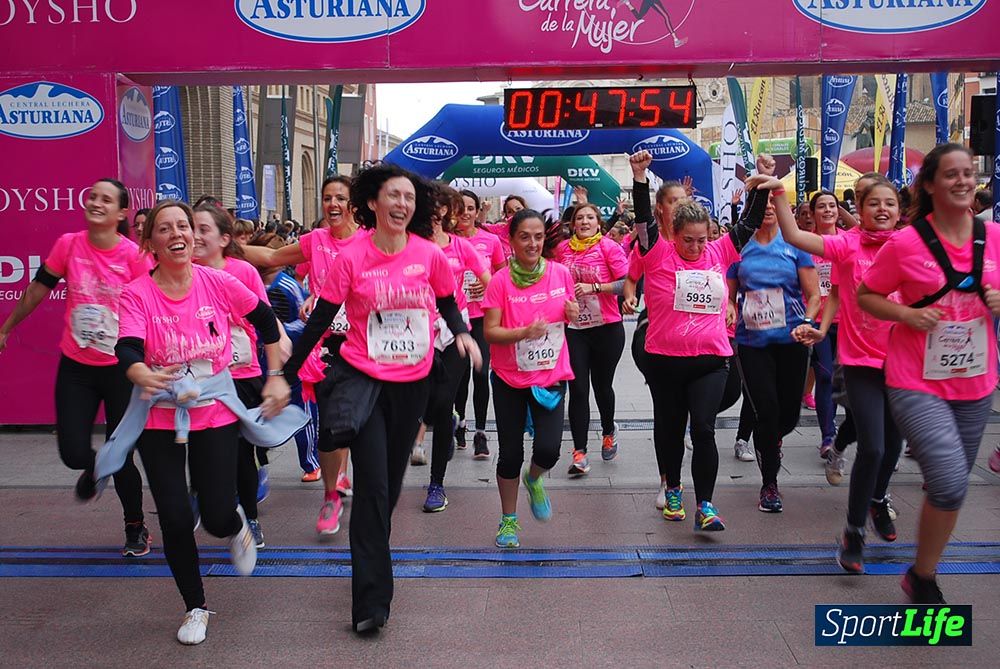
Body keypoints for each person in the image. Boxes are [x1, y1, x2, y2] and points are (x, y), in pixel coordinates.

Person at [283, 164, 481, 634]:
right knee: (372, 488)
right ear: (373, 202)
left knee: (388, 490)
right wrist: (285, 375)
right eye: (393, 195)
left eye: (409, 198)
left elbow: (448, 300)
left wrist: (461, 334)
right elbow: (320, 320)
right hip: (363, 380)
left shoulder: (427, 254)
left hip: (411, 384)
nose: (402, 204)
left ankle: (373, 546)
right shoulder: (351, 256)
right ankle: (372, 603)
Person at [116, 199, 290, 644]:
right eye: (165, 228)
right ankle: (195, 606)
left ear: (195, 236)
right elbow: (129, 347)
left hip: (214, 409)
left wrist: (274, 377)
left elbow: (266, 322)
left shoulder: (218, 282)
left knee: (214, 516)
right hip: (160, 414)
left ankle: (235, 525)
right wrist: (138, 370)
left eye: (185, 226)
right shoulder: (137, 293)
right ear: (150, 241)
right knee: (175, 517)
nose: (177, 234)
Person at [857, 144, 1000, 603]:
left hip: (975, 380)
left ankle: (922, 573)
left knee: (950, 489)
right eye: (952, 174)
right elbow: (867, 296)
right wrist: (907, 316)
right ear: (931, 185)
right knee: (950, 479)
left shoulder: (994, 236)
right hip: (915, 378)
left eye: (969, 173)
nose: (963, 181)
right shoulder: (906, 243)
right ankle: (920, 572)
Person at [0, 178, 152, 557]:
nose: (96, 203)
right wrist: (6, 328)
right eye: (92, 197)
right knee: (71, 453)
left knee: (124, 457)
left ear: (120, 213)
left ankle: (135, 526)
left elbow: (152, 307)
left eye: (106, 199)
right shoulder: (69, 245)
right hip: (77, 366)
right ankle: (95, 465)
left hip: (121, 368)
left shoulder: (134, 257)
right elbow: (38, 288)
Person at [773, 175, 905, 574]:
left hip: (904, 362)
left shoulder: (909, 245)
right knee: (875, 446)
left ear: (899, 211)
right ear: (859, 211)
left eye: (890, 204)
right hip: (862, 361)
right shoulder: (848, 244)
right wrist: (778, 194)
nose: (883, 210)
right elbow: (795, 236)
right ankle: (853, 531)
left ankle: (878, 500)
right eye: (873, 203)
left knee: (895, 445)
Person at [624, 190, 767, 530]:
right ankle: (673, 488)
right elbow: (643, 223)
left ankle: (706, 504)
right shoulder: (658, 253)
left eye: (702, 239)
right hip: (665, 360)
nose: (696, 247)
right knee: (670, 428)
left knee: (703, 428)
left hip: (711, 359)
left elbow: (749, 223)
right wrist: (640, 180)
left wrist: (761, 185)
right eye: (688, 240)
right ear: (674, 234)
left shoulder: (719, 250)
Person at [241, 176, 359, 534]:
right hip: (320, 345)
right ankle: (331, 494)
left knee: (347, 423)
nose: (333, 204)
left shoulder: (370, 241)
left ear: (353, 204)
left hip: (361, 345)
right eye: (327, 198)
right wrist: (224, 245)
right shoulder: (317, 241)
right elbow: (274, 256)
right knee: (328, 427)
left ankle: (343, 475)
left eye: (340, 197)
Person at [192, 203, 291, 549]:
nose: (194, 236)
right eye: (192, 228)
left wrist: (279, 355)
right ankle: (201, 497)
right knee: (198, 446)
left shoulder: (243, 272)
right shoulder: (182, 271)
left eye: (203, 229)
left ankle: (250, 515)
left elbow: (265, 317)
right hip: (200, 376)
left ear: (224, 238)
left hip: (241, 372)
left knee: (241, 451)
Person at [483, 209, 578, 548]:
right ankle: (508, 520)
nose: (533, 243)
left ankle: (534, 479)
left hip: (550, 376)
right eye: (525, 236)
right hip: (509, 378)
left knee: (549, 450)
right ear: (511, 241)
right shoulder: (499, 282)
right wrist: (524, 332)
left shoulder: (561, 274)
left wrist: (573, 313)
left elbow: (570, 315)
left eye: (538, 236)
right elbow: (490, 332)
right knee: (509, 454)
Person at [727, 182, 820, 513]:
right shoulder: (740, 248)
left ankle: (772, 439)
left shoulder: (795, 246)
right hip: (752, 343)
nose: (767, 207)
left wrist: (808, 321)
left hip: (792, 340)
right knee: (765, 410)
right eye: (760, 202)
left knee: (789, 416)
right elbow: (730, 295)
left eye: (772, 201)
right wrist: (731, 310)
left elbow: (814, 295)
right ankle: (770, 485)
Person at [413, 185, 491, 512]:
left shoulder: (461, 246)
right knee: (425, 405)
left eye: (440, 205)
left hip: (453, 330)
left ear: (448, 211)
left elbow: (492, 279)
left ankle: (436, 484)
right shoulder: (410, 245)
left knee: (444, 401)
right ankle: (444, 421)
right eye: (428, 204)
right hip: (413, 331)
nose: (435, 210)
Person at [556, 203, 629, 476]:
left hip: (607, 328)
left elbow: (627, 282)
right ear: (573, 224)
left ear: (599, 222)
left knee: (601, 386)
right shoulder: (562, 250)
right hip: (574, 329)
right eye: (579, 218)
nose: (584, 221)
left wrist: (594, 287)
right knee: (577, 389)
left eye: (590, 217)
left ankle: (609, 430)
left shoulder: (609, 248)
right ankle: (579, 452)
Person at [250, 233, 321, 483]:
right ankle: (258, 466)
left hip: (290, 359)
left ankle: (311, 461)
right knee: (257, 412)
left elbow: (305, 321)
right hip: (257, 359)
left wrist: (283, 332)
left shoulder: (289, 285)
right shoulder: (250, 282)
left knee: (302, 410)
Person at [453, 189, 506, 458]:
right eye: (460, 208)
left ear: (477, 212)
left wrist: (487, 290)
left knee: (481, 373)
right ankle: (460, 424)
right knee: (459, 377)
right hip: (454, 318)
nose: (465, 213)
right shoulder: (444, 241)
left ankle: (481, 433)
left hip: (483, 316)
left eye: (470, 208)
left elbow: (501, 275)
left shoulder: (490, 240)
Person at [807, 190, 843, 458]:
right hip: (818, 322)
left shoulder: (850, 240)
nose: (828, 210)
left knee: (850, 381)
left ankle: (861, 433)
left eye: (832, 206)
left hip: (849, 323)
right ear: (813, 213)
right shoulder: (806, 244)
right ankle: (828, 437)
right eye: (822, 206)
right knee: (825, 377)